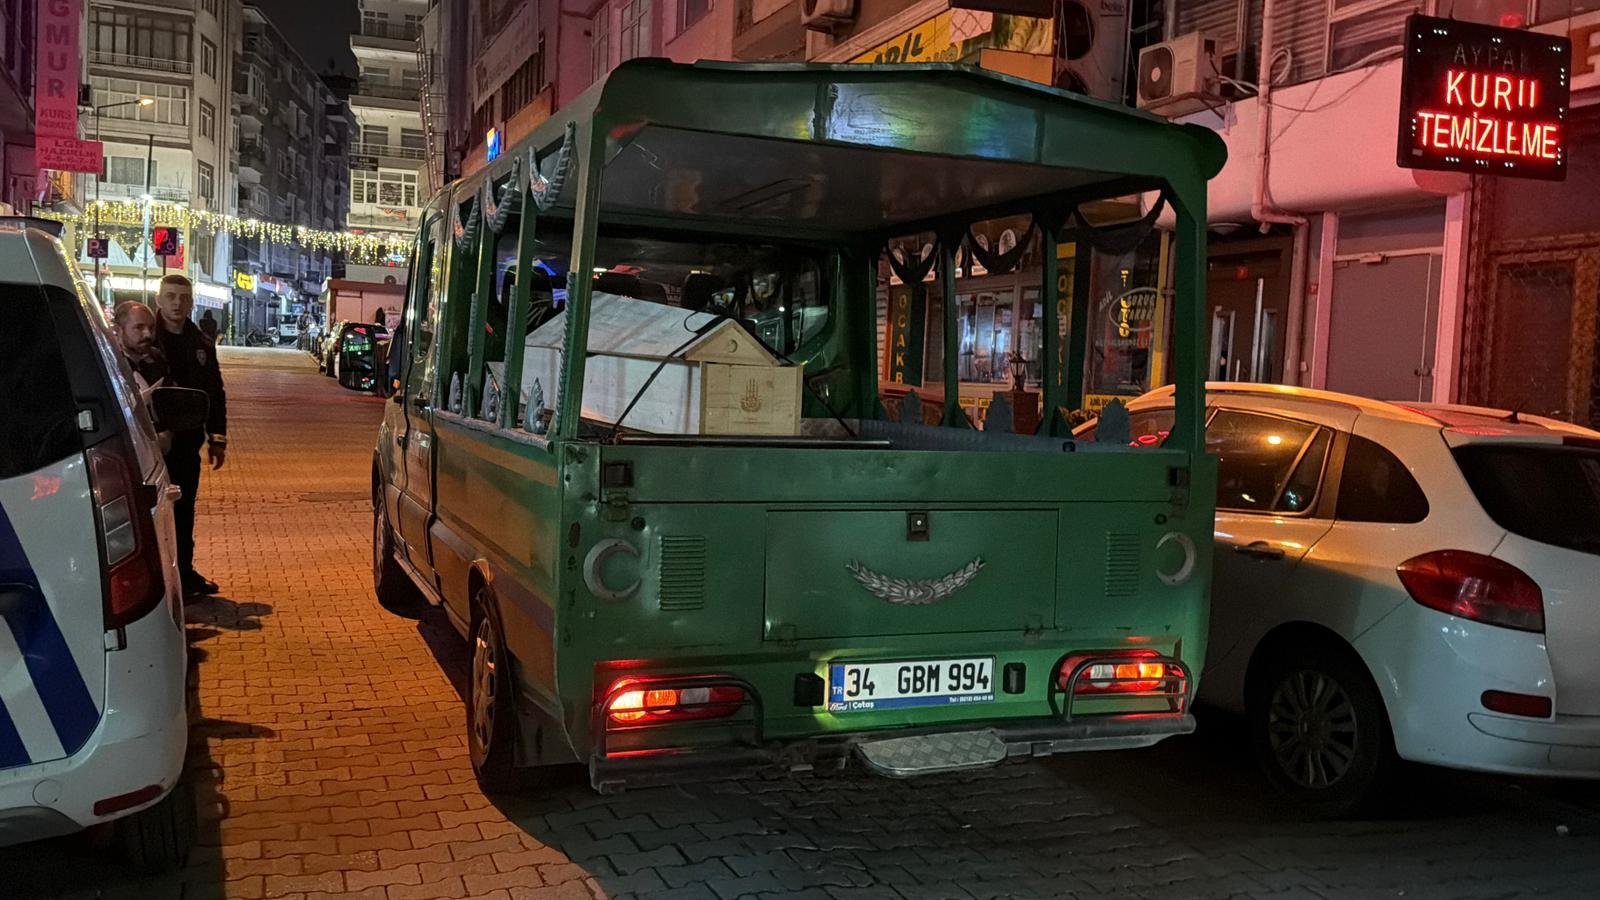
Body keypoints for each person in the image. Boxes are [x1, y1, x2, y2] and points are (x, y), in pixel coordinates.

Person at [153, 275, 228, 597]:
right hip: (150, 445)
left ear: (192, 303)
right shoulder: (146, 338)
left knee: (184, 512)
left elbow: (214, 392)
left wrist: (217, 437)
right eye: (170, 296)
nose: (177, 303)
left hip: (187, 443)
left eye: (183, 298)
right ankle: (156, 580)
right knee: (151, 514)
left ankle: (184, 573)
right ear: (158, 299)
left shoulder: (200, 343)